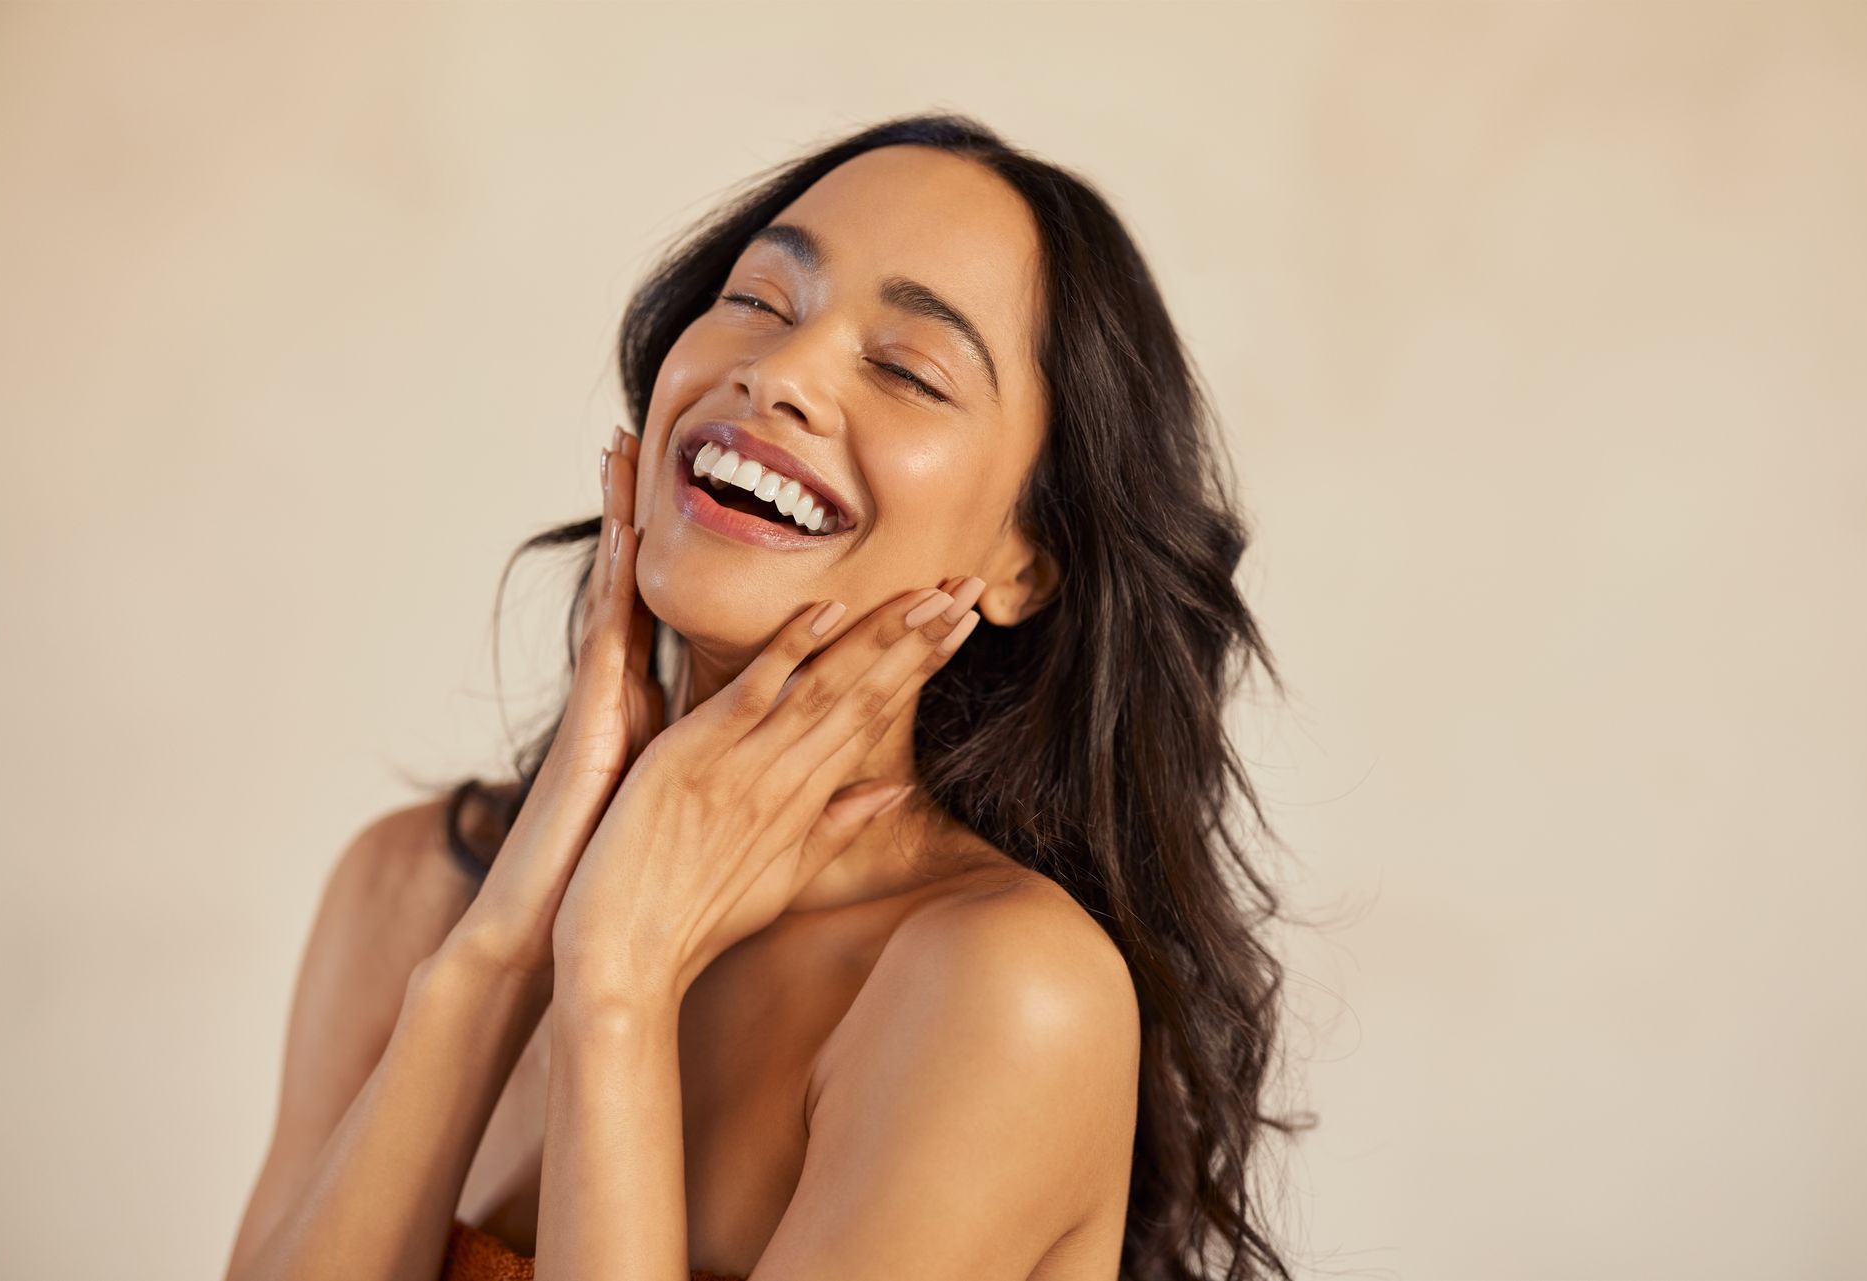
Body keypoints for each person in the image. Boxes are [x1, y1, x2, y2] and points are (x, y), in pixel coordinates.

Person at [223, 111, 1313, 1281]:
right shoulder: (411, 892)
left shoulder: (1003, 991)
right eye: (756, 300)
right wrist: (495, 960)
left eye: (906, 369)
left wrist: (621, 985)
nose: (777, 373)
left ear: (1028, 560)